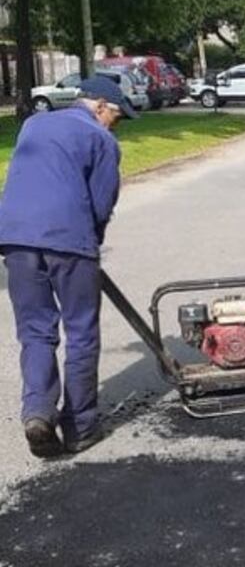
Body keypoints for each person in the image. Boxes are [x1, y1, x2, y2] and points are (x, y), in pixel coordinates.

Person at [0, 76, 136, 458]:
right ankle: (80, 426)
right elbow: (100, 204)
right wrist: (91, 241)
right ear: (99, 107)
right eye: (117, 116)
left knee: (35, 331)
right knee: (81, 331)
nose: (116, 124)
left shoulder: (33, 123)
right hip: (68, 238)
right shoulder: (102, 140)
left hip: (15, 237)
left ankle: (38, 413)